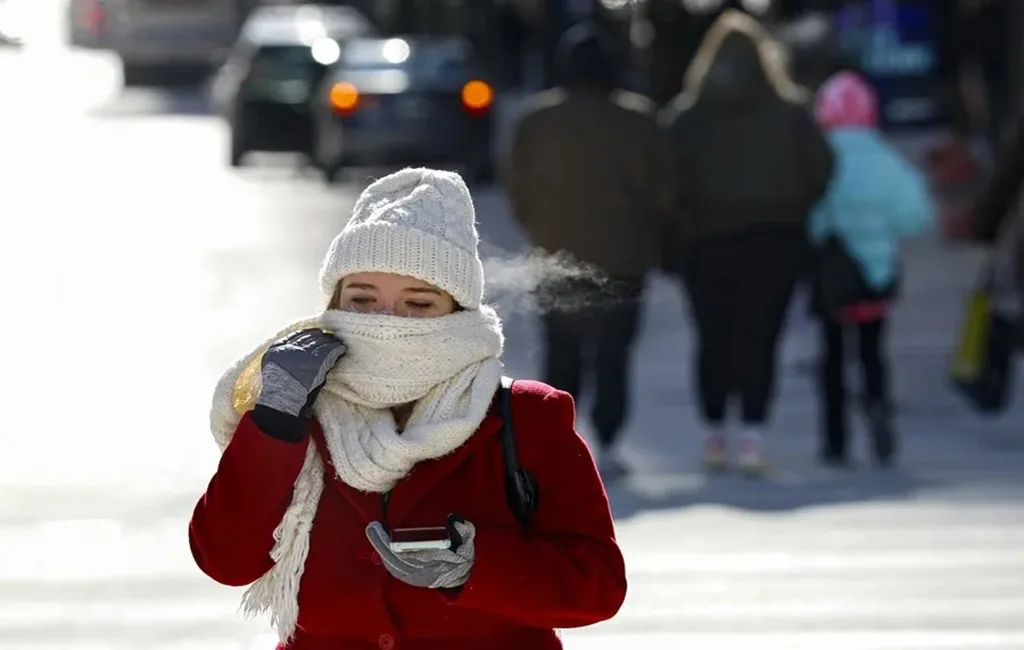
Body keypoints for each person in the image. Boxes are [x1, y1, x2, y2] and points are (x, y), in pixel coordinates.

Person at [189, 168, 627, 649]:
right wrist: (272, 425)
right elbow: (225, 560)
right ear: (334, 303)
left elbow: (599, 584)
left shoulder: (527, 416)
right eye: (362, 299)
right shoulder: (297, 406)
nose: (387, 324)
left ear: (457, 312)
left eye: (418, 304)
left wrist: (478, 568)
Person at [660, 9, 834, 475]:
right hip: (775, 241)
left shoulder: (686, 117)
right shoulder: (792, 112)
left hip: (706, 242)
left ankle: (714, 437)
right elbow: (821, 171)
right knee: (761, 337)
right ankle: (753, 439)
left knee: (712, 337)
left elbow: (666, 182)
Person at [502, 24, 673, 478]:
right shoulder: (639, 119)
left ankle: (558, 442)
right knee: (615, 355)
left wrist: (541, 229)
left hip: (557, 255)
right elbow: (664, 191)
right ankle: (611, 442)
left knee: (562, 353)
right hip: (625, 258)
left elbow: (517, 190)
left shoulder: (535, 121)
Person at [809, 71, 933, 467]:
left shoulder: (818, 159)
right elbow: (917, 215)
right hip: (875, 277)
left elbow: (810, 219)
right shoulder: (886, 161)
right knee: (872, 354)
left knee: (831, 357)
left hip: (831, 277)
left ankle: (835, 439)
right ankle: (878, 413)